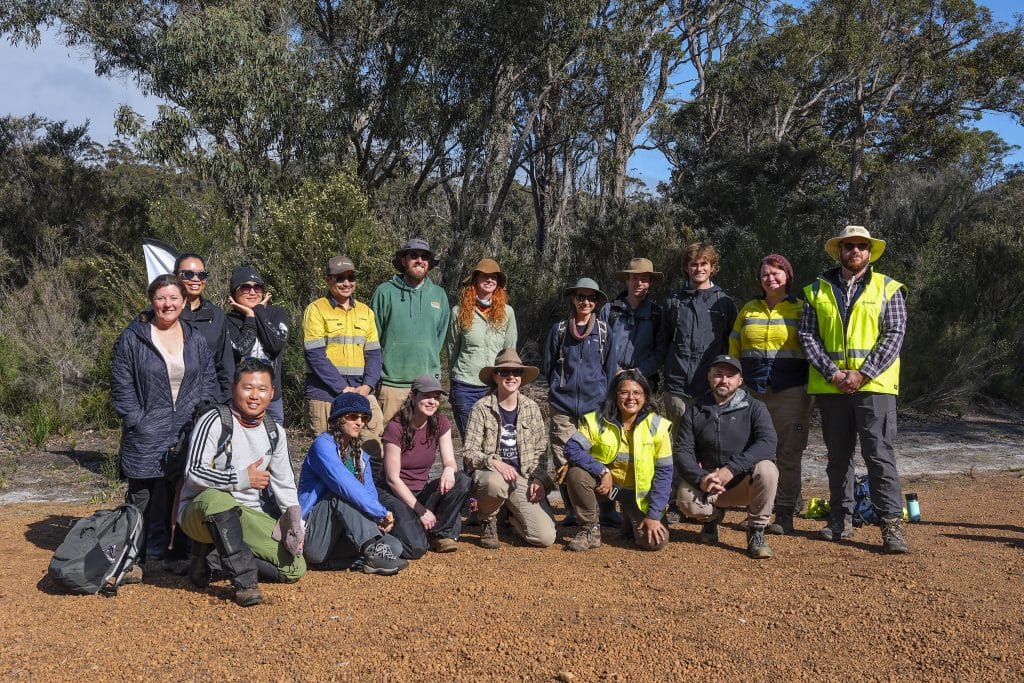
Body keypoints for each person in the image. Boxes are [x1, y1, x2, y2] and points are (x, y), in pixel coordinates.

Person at [798, 225, 909, 553]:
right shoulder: (815, 290)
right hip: (832, 390)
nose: (855, 251)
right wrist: (834, 374)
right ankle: (840, 520)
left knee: (879, 456)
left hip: (874, 388)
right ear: (840, 251)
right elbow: (807, 336)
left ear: (869, 252)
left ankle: (891, 527)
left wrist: (862, 374)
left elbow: (894, 335)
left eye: (862, 246)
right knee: (838, 458)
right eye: (849, 246)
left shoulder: (888, 289)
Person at [110, 274, 219, 582]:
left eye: (173, 298)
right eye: (161, 298)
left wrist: (201, 414)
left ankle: (176, 555)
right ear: (151, 300)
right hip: (146, 433)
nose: (167, 304)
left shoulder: (194, 338)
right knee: (142, 498)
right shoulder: (135, 337)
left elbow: (208, 380)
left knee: (179, 495)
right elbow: (121, 384)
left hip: (186, 431)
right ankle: (135, 558)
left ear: (184, 302)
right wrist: (137, 419)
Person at [178, 358, 307, 606]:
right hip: (200, 511)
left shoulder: (274, 431)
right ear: (234, 387)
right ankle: (245, 582)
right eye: (247, 388)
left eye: (261, 389)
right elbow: (194, 473)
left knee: (295, 568)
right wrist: (241, 478)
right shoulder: (214, 421)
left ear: (272, 393)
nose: (254, 396)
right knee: (219, 499)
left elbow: (285, 483)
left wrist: (295, 524)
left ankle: (212, 559)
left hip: (246, 514)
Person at [728, 253, 811, 534]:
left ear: (788, 277)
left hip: (792, 392)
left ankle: (785, 513)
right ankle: (756, 510)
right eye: (765, 273)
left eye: (777, 273)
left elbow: (813, 350)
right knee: (753, 454)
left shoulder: (801, 309)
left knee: (788, 454)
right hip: (754, 392)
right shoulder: (749, 309)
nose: (770, 278)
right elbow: (734, 348)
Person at [673, 355, 779, 559]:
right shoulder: (695, 410)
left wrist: (731, 469)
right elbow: (683, 451)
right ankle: (711, 519)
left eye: (730, 376)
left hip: (744, 484)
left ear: (740, 381)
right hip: (709, 485)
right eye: (718, 375)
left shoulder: (755, 408)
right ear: (709, 378)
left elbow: (768, 443)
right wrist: (701, 478)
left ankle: (756, 530)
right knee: (686, 500)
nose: (724, 380)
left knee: (767, 469)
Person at [562, 369, 673, 552]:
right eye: (624, 392)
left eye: (637, 393)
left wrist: (653, 515)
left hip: (638, 496)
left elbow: (665, 473)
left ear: (645, 396)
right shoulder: (598, 420)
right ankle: (590, 530)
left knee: (654, 543)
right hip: (606, 487)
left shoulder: (657, 426)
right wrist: (602, 471)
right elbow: (571, 448)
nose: (631, 398)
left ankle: (631, 518)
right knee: (576, 474)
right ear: (615, 395)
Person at [298, 393, 408, 575]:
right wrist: (379, 512)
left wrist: (378, 520)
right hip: (314, 532)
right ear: (338, 419)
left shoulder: (361, 456)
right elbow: (344, 484)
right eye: (353, 416)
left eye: (364, 418)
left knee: (394, 546)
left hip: (340, 533)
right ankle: (369, 555)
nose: (359, 422)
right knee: (340, 495)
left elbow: (370, 494)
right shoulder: (322, 445)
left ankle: (337, 562)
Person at [462, 349, 555, 550]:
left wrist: (539, 479)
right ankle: (488, 520)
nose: (511, 376)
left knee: (545, 537)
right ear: (495, 376)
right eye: (504, 372)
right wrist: (495, 462)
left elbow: (541, 452)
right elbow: (469, 451)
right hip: (492, 475)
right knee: (494, 483)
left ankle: (510, 514)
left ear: (521, 377)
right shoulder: (481, 407)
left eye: (516, 372)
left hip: (522, 477)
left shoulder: (531, 408)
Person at [543, 277, 617, 526]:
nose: (585, 302)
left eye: (591, 298)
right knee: (564, 459)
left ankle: (604, 509)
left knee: (598, 457)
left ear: (597, 302)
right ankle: (574, 511)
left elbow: (610, 368)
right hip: (562, 407)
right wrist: (558, 391)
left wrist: (603, 401)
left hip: (594, 409)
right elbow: (548, 366)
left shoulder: (605, 332)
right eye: (581, 297)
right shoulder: (560, 330)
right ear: (573, 299)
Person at [376, 375, 472, 558]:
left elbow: (450, 460)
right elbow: (392, 479)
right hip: (393, 494)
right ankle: (381, 535)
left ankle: (439, 533)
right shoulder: (395, 427)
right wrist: (421, 510)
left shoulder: (440, 422)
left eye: (436, 397)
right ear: (412, 395)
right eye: (427, 396)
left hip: (420, 491)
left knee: (462, 480)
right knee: (416, 549)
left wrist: (449, 470)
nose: (432, 402)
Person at [302, 255, 384, 443]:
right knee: (329, 452)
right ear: (328, 280)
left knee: (374, 449)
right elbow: (315, 355)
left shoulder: (366, 312)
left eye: (351, 277)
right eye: (340, 278)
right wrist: (342, 388)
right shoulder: (316, 310)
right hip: (324, 394)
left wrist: (367, 386)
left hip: (361, 393)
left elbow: (374, 354)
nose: (346, 283)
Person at [370, 238, 451, 425]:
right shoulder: (385, 292)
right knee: (388, 445)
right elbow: (373, 337)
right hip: (391, 385)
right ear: (404, 260)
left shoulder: (439, 295)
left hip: (426, 387)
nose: (419, 260)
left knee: (420, 445)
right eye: (413, 255)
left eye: (424, 257)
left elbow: (438, 338)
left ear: (429, 264)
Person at [659, 242, 738, 428]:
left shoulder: (724, 303)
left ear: (712, 267)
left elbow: (732, 345)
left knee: (710, 446)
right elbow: (663, 342)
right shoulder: (674, 302)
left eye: (704, 264)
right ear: (686, 268)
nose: (699, 268)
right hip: (677, 390)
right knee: (680, 446)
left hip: (711, 388)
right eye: (694, 264)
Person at [446, 258, 518, 439]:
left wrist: (508, 383)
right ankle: (471, 469)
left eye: (494, 277)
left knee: (494, 439)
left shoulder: (507, 312)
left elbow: (510, 350)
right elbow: (452, 350)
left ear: (498, 284)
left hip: (495, 386)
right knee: (471, 440)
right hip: (464, 386)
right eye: (485, 276)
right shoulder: (459, 311)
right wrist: (455, 378)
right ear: (475, 280)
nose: (489, 280)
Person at [225, 265, 289, 423]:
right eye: (245, 287)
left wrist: (258, 311)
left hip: (271, 399)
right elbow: (241, 349)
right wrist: (250, 317)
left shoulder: (277, 313)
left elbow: (276, 344)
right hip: (240, 398)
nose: (253, 292)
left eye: (257, 287)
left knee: (274, 445)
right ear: (234, 292)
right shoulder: (226, 321)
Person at [175, 253, 234, 402]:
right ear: (175, 276)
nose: (196, 279)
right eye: (188, 274)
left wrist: (228, 403)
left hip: (208, 402)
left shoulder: (217, 315)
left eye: (202, 274)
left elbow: (225, 365)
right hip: (171, 403)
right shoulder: (162, 311)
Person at [599, 257, 665, 389]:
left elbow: (660, 352)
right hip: (609, 381)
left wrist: (638, 373)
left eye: (644, 279)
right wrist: (615, 370)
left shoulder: (657, 314)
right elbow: (600, 346)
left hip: (643, 383)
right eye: (634, 278)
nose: (639, 283)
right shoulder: (609, 310)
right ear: (627, 279)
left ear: (650, 283)